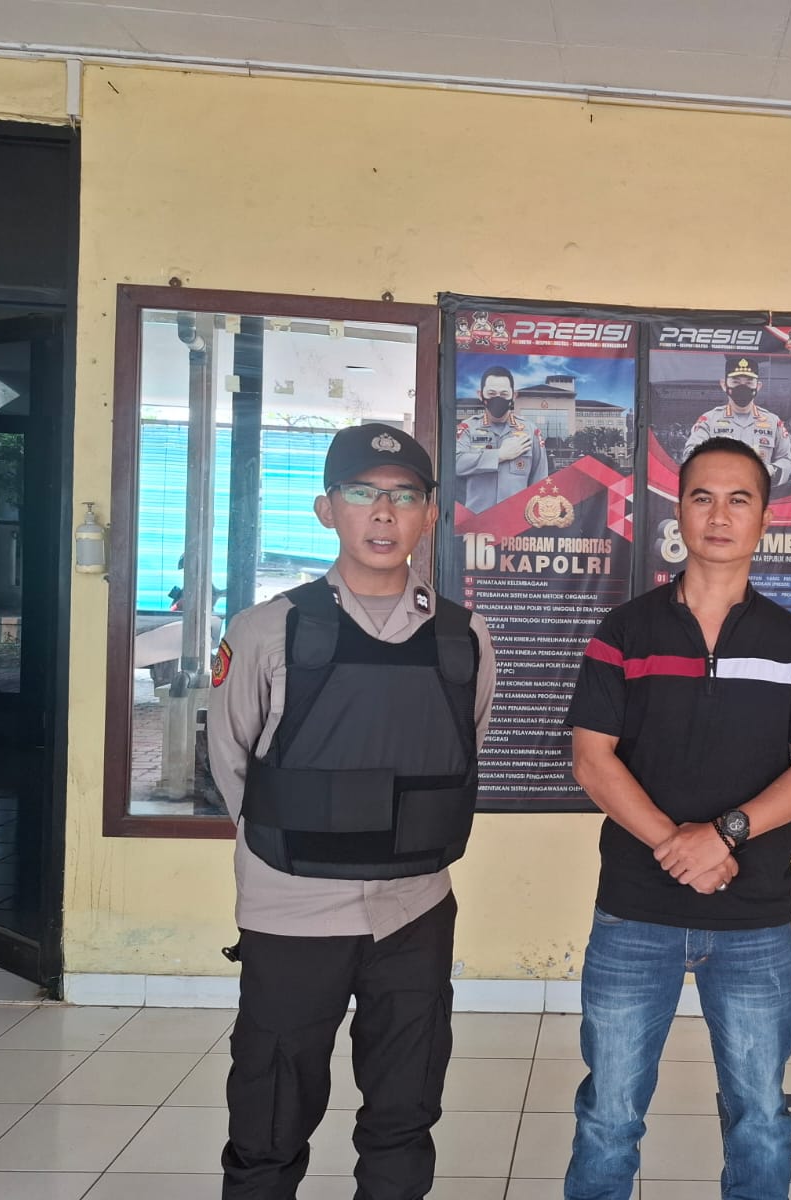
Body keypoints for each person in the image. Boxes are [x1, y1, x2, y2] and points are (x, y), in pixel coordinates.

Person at [208, 421, 496, 1199]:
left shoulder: (464, 637)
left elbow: (459, 746)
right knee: (269, 1117)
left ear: (430, 513)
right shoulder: (268, 630)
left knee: (405, 1112)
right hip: (292, 907)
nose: (383, 513)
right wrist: (298, 835)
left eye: (404, 496)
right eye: (363, 492)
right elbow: (233, 767)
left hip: (414, 909)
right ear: (326, 508)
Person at [564, 436, 791, 1200]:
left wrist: (723, 836)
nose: (719, 516)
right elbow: (592, 759)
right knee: (609, 1114)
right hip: (635, 912)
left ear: (766, 519)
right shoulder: (624, 631)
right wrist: (675, 845)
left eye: (739, 499)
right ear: (679, 512)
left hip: (753, 919)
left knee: (760, 1116)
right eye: (702, 498)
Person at [682, 356, 791, 486]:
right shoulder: (709, 420)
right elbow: (689, 454)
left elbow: (786, 459)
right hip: (720, 491)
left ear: (758, 386)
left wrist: (770, 471)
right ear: (724, 384)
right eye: (735, 382)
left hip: (757, 492)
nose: (742, 387)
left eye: (749, 382)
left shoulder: (773, 422)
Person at [456, 365, 549, 511]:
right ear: (480, 394)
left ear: (514, 396)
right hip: (477, 519)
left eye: (504, 394)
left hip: (516, 519)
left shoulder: (530, 431)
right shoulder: (468, 429)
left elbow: (540, 480)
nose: (497, 398)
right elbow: (456, 464)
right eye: (491, 393)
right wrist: (499, 455)